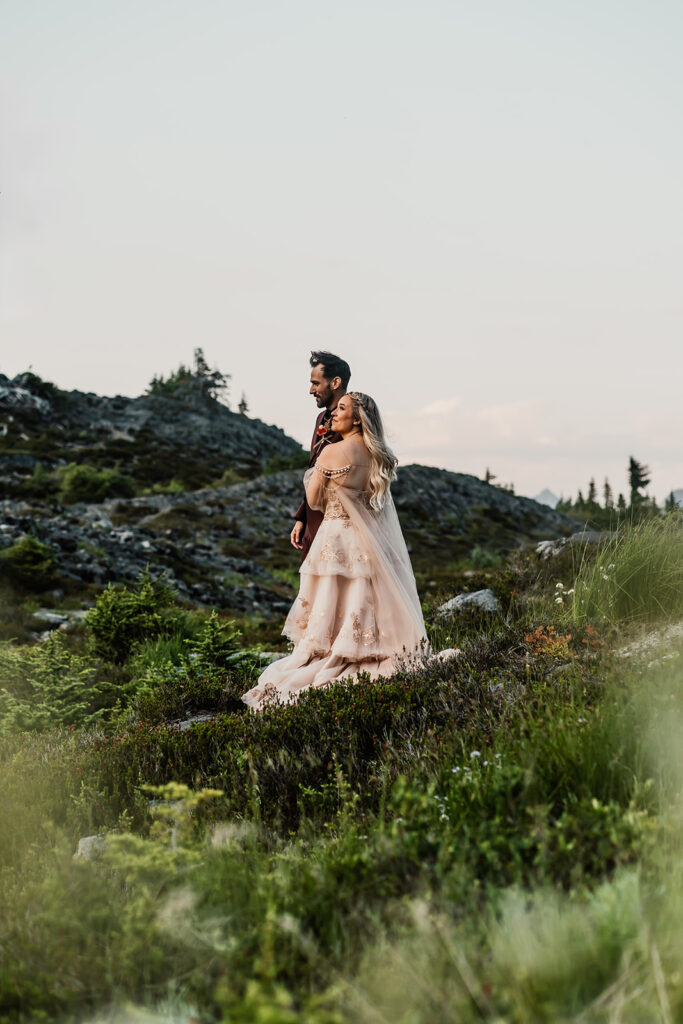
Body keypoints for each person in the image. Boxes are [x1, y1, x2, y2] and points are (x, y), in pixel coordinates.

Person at [242, 392, 427, 709]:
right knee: (359, 599)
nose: (333, 414)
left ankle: (333, 653)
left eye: (341, 409)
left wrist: (315, 473)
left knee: (331, 600)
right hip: (366, 541)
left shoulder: (330, 452)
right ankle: (360, 649)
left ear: (357, 418)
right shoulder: (376, 455)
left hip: (334, 538)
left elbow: (315, 502)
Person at [291, 351, 350, 561]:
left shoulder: (353, 418)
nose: (311, 390)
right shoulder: (320, 418)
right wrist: (302, 517)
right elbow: (314, 471)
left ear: (335, 382)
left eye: (316, 383)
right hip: (314, 517)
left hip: (340, 519)